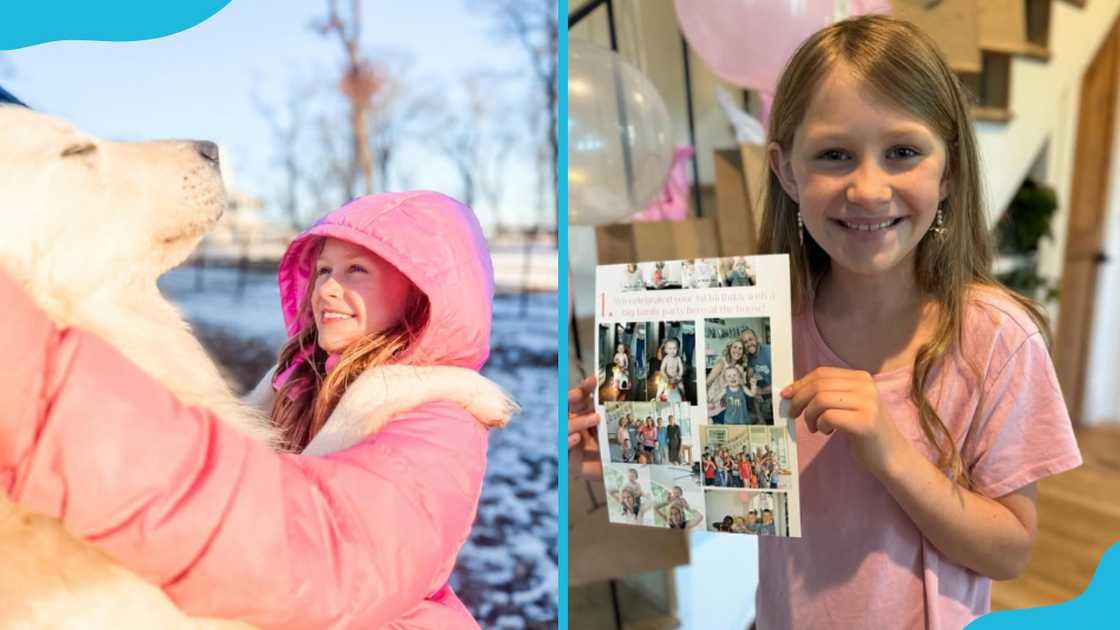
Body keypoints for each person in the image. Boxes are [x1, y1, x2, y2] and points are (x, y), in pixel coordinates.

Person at [571, 15, 1082, 628]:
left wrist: (892, 452)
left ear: (947, 171)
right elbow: (731, 489)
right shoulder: (756, 329)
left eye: (903, 152)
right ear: (787, 172)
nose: (868, 189)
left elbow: (1010, 550)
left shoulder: (997, 339)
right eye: (835, 155)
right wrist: (640, 442)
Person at [1, 191, 519, 627]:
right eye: (321, 271)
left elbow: (328, 558)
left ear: (417, 293)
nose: (327, 289)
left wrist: (378, 395)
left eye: (356, 270)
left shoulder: (439, 416)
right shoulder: (301, 377)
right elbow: (243, 454)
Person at [657, 337, 686, 403]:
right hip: (666, 377)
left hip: (675, 377)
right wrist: (665, 376)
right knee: (661, 387)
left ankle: (683, 398)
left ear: (677, 349)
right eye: (670, 348)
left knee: (682, 387)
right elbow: (662, 369)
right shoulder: (666, 359)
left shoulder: (678, 358)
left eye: (674, 348)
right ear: (666, 350)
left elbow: (681, 368)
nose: (672, 351)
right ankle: (657, 398)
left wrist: (679, 376)